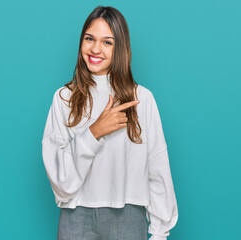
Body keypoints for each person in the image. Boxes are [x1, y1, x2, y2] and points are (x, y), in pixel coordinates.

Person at [41, 6, 178, 240]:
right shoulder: (63, 98)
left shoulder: (141, 99)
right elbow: (60, 180)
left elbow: (157, 167)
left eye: (107, 42)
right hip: (75, 217)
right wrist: (93, 133)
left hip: (128, 216)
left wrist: (159, 232)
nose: (95, 49)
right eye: (89, 38)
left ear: (120, 48)